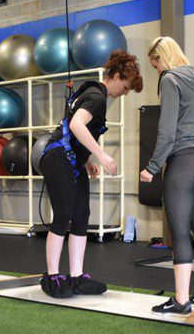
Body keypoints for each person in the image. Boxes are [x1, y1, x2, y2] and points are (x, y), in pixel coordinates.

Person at [40, 49, 143, 299]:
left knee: (82, 216)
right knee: (63, 216)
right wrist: (101, 155)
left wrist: (85, 161)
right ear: (116, 76)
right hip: (56, 157)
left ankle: (76, 278)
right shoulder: (97, 97)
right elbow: (76, 125)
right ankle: (52, 278)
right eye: (127, 87)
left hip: (71, 159)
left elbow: (72, 129)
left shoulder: (94, 94)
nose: (125, 93)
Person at [140, 36, 194, 315]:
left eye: (156, 64)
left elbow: (167, 131)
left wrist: (152, 166)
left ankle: (182, 300)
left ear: (162, 58)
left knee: (180, 232)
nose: (157, 71)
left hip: (184, 163)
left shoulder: (170, 80)